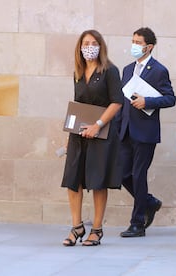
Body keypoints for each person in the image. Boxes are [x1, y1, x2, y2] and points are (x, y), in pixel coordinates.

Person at [61, 29, 124, 246]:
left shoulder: (110, 71)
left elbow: (117, 102)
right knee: (72, 179)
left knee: (98, 182)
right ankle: (77, 226)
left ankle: (96, 229)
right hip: (78, 135)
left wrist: (97, 125)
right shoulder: (78, 72)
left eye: (94, 42)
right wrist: (69, 134)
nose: (89, 46)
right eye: (85, 43)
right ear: (80, 47)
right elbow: (77, 104)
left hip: (101, 133)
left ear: (101, 46)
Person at [119, 27, 176, 237]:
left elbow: (170, 98)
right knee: (122, 174)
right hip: (125, 131)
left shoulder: (159, 70)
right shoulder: (126, 70)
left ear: (148, 46)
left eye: (138, 42)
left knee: (138, 174)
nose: (134, 45)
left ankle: (137, 224)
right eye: (132, 40)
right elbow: (121, 101)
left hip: (145, 132)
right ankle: (149, 202)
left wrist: (147, 101)